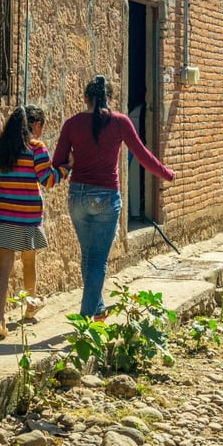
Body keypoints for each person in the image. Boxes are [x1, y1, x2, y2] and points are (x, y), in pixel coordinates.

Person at [52, 75, 176, 319]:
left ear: (86, 98)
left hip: (77, 196)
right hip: (107, 198)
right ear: (110, 98)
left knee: (88, 256)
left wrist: (74, 161)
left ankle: (96, 310)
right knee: (97, 261)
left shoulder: (72, 123)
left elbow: (58, 163)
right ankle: (86, 319)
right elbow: (142, 155)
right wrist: (167, 174)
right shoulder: (120, 122)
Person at [0, 106, 72, 337]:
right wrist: (66, 168)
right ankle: (30, 307)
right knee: (29, 263)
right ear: (36, 125)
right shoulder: (36, 148)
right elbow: (48, 180)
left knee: (3, 268)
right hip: (28, 217)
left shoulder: (2, 149)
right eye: (41, 126)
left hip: (4, 214)